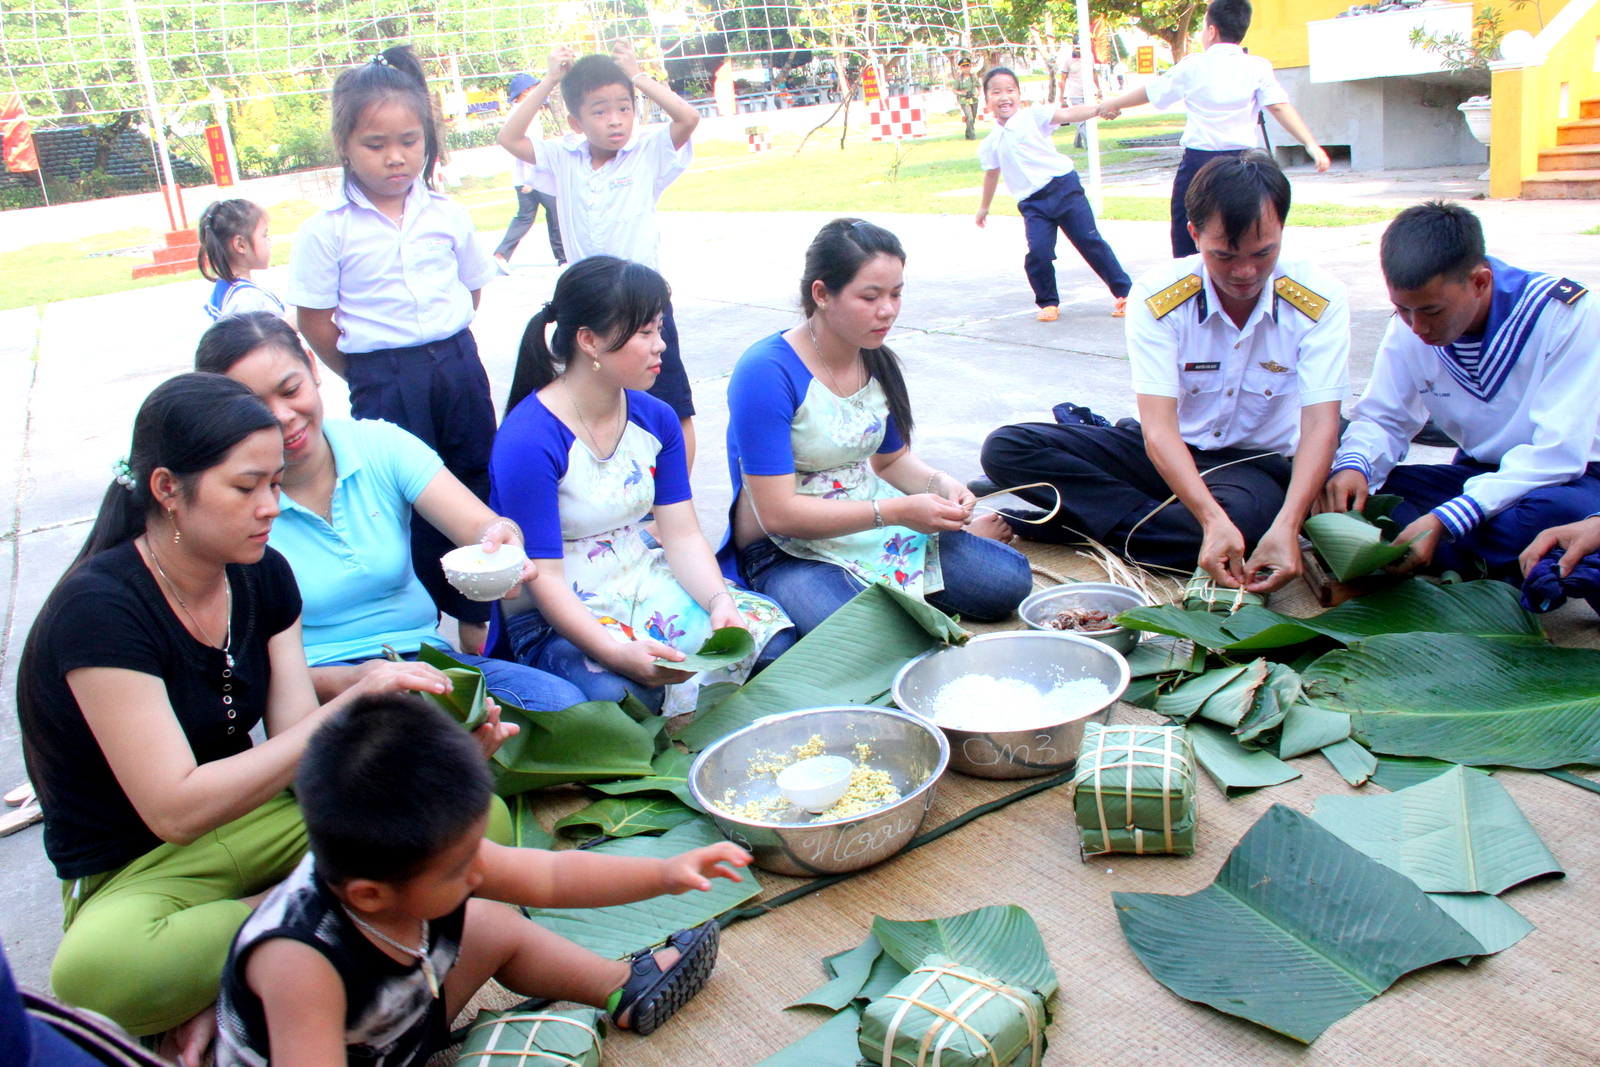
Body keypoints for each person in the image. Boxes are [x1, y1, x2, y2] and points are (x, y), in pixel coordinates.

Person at [15, 374, 492, 1064]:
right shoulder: (100, 611)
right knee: (98, 970)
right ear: (166, 488)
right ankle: (305, 938)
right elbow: (173, 810)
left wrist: (428, 744)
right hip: (140, 871)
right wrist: (354, 701)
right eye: (247, 488)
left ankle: (251, 968)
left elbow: (306, 759)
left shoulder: (264, 575)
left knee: (466, 826)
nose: (271, 506)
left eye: (276, 483)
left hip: (253, 820)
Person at [215, 695, 746, 1066]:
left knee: (493, 924)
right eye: (457, 868)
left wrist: (663, 872)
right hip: (346, 1049)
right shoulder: (301, 962)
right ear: (369, 896)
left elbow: (553, 876)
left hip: (403, 1019)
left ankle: (616, 986)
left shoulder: (418, 862)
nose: (479, 869)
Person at [981, 152, 1349, 592]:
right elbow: (1158, 430)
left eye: (1263, 252)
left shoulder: (1318, 300)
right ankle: (1158, 521)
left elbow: (1320, 427)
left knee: (1246, 527)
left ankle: (1063, 521)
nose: (1246, 272)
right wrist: (1210, 519)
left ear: (1282, 231)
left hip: (1252, 467)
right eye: (1225, 256)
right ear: (1194, 234)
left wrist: (1288, 526)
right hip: (1166, 453)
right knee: (1007, 448)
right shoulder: (1160, 297)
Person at [194, 312, 587, 713]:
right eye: (256, 405)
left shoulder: (379, 445)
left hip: (424, 662)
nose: (282, 416)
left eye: (290, 390)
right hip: (317, 687)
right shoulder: (231, 501)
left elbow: (481, 524)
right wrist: (355, 680)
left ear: (313, 368)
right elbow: (248, 667)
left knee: (562, 704)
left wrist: (503, 542)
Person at [490, 256, 794, 714]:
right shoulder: (528, 439)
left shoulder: (656, 418)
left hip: (643, 580)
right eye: (645, 332)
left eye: (659, 328)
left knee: (768, 641)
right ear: (589, 341)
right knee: (625, 699)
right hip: (558, 614)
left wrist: (718, 602)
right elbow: (545, 579)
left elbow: (683, 534)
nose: (661, 346)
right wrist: (617, 655)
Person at [288, 45, 500, 655]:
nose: (395, 156)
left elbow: (472, 285)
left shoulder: (447, 213)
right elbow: (313, 319)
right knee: (398, 496)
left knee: (472, 482)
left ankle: (479, 626)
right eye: (375, 144)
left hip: (457, 365)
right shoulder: (326, 229)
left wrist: (443, 348)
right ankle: (414, 626)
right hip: (383, 377)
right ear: (346, 147)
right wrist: (366, 371)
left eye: (409, 140)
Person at [727, 218, 1033, 636]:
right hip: (788, 547)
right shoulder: (766, 370)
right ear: (822, 294)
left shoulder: (875, 358)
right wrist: (899, 511)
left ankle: (902, 579)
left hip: (874, 520)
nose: (887, 310)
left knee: (1009, 582)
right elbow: (778, 513)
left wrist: (939, 486)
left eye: (896, 294)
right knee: (868, 636)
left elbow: (890, 461)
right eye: (870, 296)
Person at [1324, 201, 1600, 581]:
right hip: (1477, 478)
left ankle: (1460, 546)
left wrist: (1444, 518)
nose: (1416, 326)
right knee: (1357, 495)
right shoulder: (1409, 324)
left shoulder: (1565, 315)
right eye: (1402, 309)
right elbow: (1384, 418)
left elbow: (1558, 455)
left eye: (1432, 311)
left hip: (1572, 480)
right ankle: (1505, 560)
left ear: (1480, 282)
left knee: (1545, 517)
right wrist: (1354, 466)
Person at [497, 43, 704, 470]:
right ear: (575, 120)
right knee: (597, 401)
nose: (615, 120)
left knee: (668, 402)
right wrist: (551, 80)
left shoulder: (647, 153)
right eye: (600, 111)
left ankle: (669, 501)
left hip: (643, 303)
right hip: (590, 305)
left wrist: (638, 75)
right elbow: (509, 137)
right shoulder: (562, 157)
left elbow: (687, 118)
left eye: (624, 108)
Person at [1097, 0, 1331, 258]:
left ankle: (1192, 290)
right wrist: (1311, 144)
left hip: (1199, 165)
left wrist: (1114, 104)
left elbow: (1152, 92)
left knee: (1188, 235)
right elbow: (1279, 107)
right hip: (1242, 166)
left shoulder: (1193, 65)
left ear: (1211, 31)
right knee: (1242, 233)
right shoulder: (1257, 66)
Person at [975, 66, 1132, 323]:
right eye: (996, 92)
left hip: (1064, 189)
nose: (1004, 96)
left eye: (1010, 90)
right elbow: (991, 174)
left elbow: (1068, 112)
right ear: (987, 99)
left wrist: (1099, 109)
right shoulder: (991, 142)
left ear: (1018, 94)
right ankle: (1048, 301)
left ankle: (1125, 293)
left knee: (1090, 241)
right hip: (1032, 204)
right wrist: (984, 207)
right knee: (1038, 252)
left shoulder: (1033, 116)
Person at [492, 72, 566, 271]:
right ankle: (563, 258)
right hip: (534, 176)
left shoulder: (518, 112)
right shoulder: (525, 114)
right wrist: (532, 180)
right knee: (555, 211)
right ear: (525, 92)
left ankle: (501, 254)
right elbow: (527, 148)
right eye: (534, 88)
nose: (538, 92)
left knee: (525, 216)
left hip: (525, 176)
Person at [196, 199, 286, 321]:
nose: (270, 243)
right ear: (241, 245)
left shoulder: (225, 287)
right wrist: (294, 323)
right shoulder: (248, 299)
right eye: (264, 236)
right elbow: (257, 338)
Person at [1055, 45, 1090, 150]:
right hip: (1075, 94)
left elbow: (1093, 73)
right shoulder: (1068, 59)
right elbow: (1063, 79)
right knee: (1081, 119)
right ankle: (1089, 144)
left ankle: (1077, 142)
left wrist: (1099, 89)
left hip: (1087, 93)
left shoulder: (1088, 57)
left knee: (1085, 119)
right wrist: (1061, 96)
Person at [953, 58, 980, 141]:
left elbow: (979, 86)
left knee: (973, 118)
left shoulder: (974, 77)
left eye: (968, 66)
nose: (966, 68)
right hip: (964, 100)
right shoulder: (958, 79)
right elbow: (954, 90)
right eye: (964, 67)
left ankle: (968, 135)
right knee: (969, 117)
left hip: (973, 99)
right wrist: (962, 93)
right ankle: (972, 137)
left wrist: (978, 93)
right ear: (961, 68)